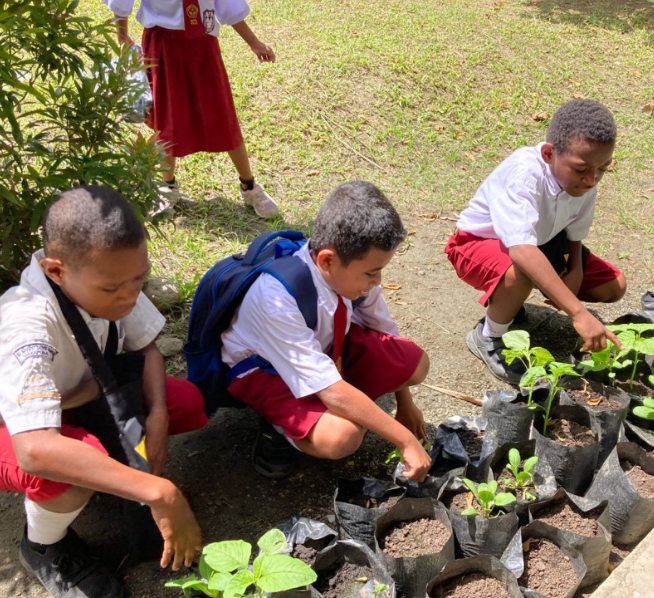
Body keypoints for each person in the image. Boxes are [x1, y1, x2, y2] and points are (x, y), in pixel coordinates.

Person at [0, 186, 208, 598]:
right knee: (73, 467)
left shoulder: (113, 279)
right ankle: (44, 544)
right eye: (113, 290)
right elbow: (35, 449)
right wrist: (159, 490)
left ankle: (107, 473)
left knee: (183, 401)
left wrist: (159, 418)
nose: (130, 297)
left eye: (140, 280)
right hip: (17, 428)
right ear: (56, 272)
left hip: (76, 399)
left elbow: (146, 346)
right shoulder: (25, 320)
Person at [221, 181, 431, 481]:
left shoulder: (354, 277)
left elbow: (386, 334)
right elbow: (330, 390)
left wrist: (405, 403)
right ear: (327, 260)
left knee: (413, 362)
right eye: (372, 273)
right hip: (268, 371)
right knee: (344, 435)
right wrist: (404, 439)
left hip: (325, 347)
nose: (377, 280)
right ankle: (276, 428)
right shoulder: (276, 298)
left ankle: (348, 403)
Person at [445, 99, 627, 385]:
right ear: (548, 153)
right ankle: (488, 337)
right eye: (582, 169)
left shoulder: (584, 179)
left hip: (543, 241)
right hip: (476, 244)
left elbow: (574, 231)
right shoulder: (524, 174)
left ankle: (508, 302)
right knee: (522, 271)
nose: (592, 179)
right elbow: (521, 250)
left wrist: (575, 272)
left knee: (614, 286)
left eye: (602, 169)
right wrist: (577, 312)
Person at [105, 0, 279, 218]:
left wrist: (254, 43)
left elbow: (227, 5)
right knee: (168, 119)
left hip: (203, 46)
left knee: (221, 113)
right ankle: (167, 186)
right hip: (163, 44)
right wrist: (122, 36)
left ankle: (249, 185)